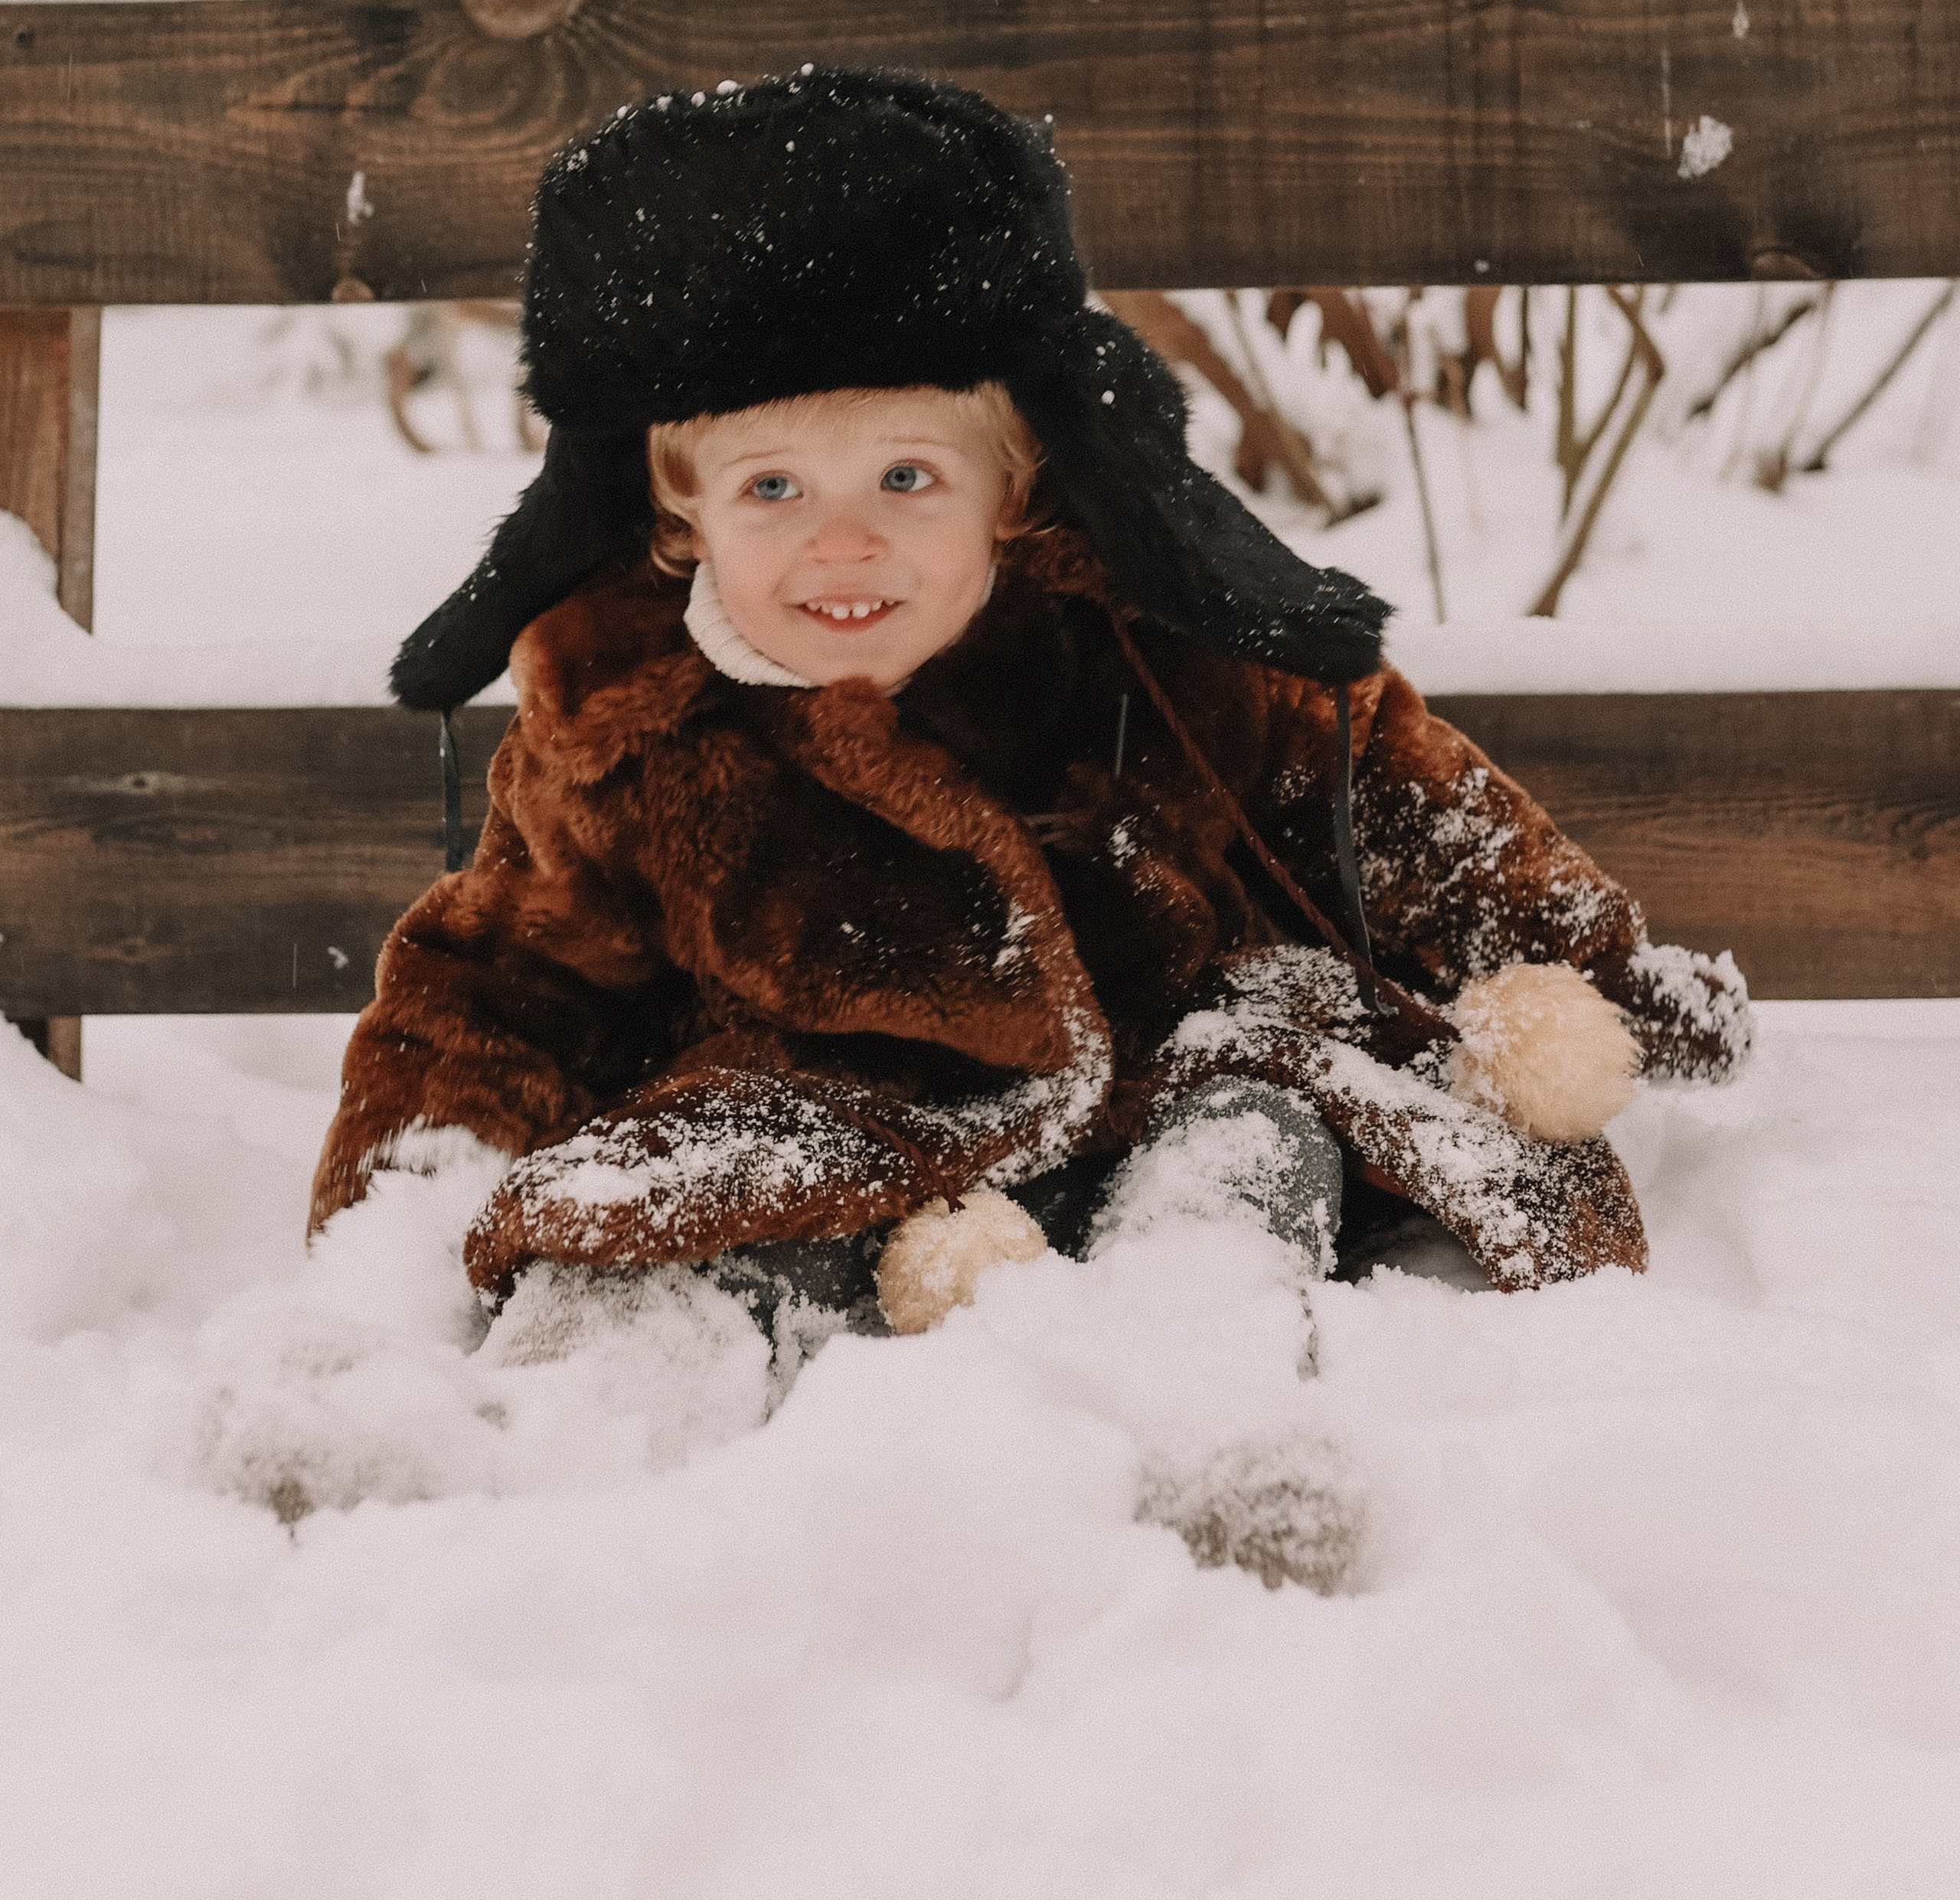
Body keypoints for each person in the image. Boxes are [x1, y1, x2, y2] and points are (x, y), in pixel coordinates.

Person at [310, 68, 1750, 1354]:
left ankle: (1197, 1378)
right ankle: (609, 1402)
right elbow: (506, 979)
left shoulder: (1148, 644)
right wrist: (396, 1222)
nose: (843, 540)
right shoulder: (628, 727)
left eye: (907, 478)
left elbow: (1387, 794)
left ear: (1014, 485)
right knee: (669, 1216)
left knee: (1256, 1132)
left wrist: (1592, 982)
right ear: (674, 508)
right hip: (831, 1128)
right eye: (772, 489)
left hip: (1171, 1076)